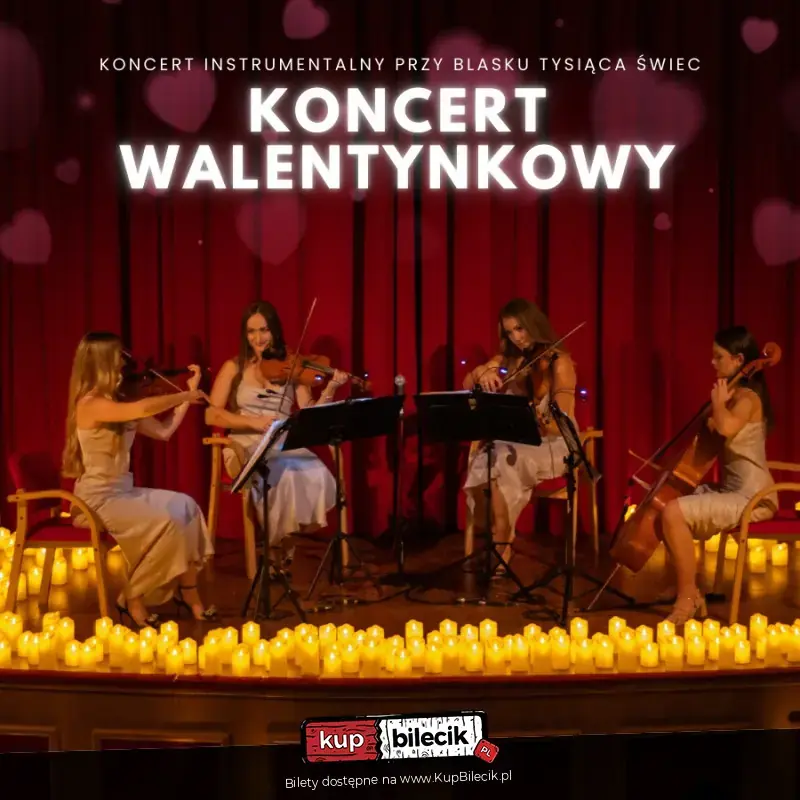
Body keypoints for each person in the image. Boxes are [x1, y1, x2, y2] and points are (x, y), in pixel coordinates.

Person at [62, 332, 216, 629]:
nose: (124, 363)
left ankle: (188, 591)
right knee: (167, 522)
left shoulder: (119, 402)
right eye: (118, 356)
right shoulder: (90, 403)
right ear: (101, 361)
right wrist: (185, 396)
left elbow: (163, 431)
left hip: (122, 492)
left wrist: (187, 393)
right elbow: (144, 408)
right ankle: (132, 596)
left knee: (186, 506)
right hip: (95, 500)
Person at [205, 301, 349, 570]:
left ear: (275, 331)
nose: (258, 338)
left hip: (282, 441)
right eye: (251, 332)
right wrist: (252, 421)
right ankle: (276, 550)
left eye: (264, 330)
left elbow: (309, 412)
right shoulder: (234, 367)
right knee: (279, 472)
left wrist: (330, 389)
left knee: (312, 470)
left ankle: (281, 543)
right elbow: (211, 415)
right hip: (242, 443)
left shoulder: (290, 366)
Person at [657, 326, 777, 625]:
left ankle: (688, 597)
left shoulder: (748, 398)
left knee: (674, 513)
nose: (712, 363)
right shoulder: (736, 395)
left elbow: (725, 428)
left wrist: (718, 406)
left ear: (739, 360)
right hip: (733, 491)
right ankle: (687, 586)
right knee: (667, 504)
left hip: (753, 497)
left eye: (718, 357)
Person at [463, 298, 578, 569]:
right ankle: (501, 537)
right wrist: (482, 372)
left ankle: (501, 543)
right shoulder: (510, 359)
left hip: (553, 442)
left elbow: (559, 422)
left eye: (520, 329)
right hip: (518, 441)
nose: (516, 337)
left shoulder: (558, 362)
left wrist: (536, 417)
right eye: (510, 332)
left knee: (501, 460)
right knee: (493, 456)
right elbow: (467, 383)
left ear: (533, 325)